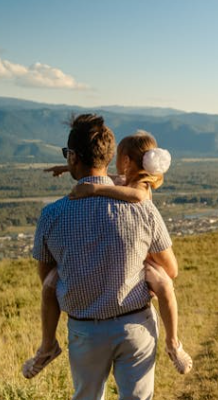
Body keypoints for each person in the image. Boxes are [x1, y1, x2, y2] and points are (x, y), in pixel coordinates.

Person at [25, 114, 178, 399]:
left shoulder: (51, 216)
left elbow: (46, 277)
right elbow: (170, 269)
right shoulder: (143, 208)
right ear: (109, 158)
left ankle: (47, 346)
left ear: (73, 157)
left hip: (85, 329)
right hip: (136, 325)